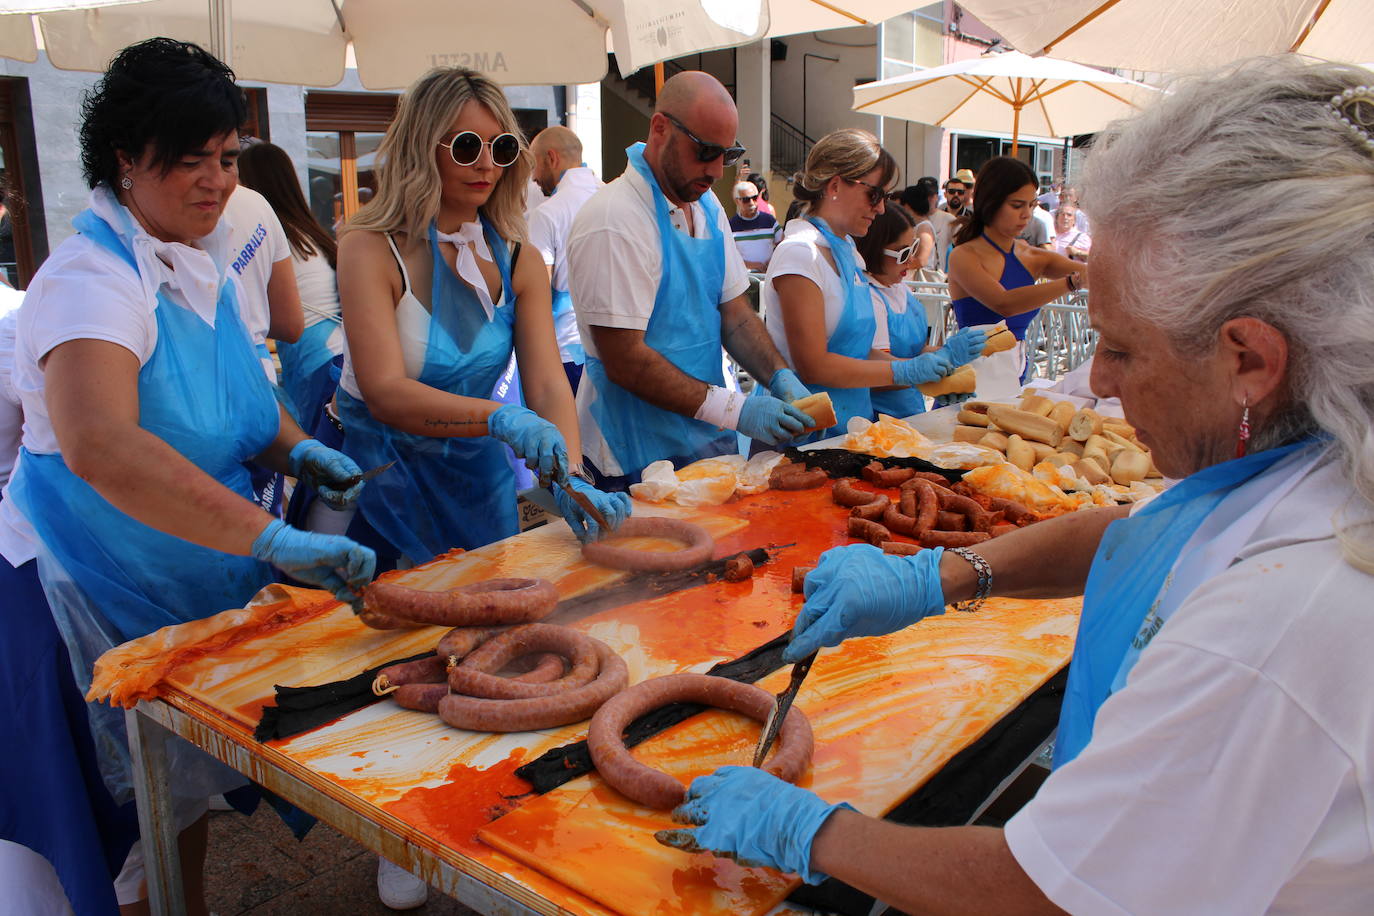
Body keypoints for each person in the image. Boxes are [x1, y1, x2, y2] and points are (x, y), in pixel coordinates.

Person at [654, 54, 1374, 914]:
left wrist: (809, 832)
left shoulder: (1284, 620)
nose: (1098, 382)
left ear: (1250, 360)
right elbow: (1145, 538)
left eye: (1123, 348)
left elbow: (1044, 890)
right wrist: (940, 576)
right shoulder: (1311, 458)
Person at [1, 38, 374, 916]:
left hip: (170, 582)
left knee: (175, 799)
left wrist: (296, 451)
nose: (216, 181)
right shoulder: (90, 282)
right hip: (77, 597)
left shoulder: (195, 261)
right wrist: (270, 536)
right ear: (127, 160)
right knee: (114, 836)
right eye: (189, 160)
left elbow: (231, 407)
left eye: (227, 157)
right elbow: (104, 446)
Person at [335, 67, 629, 571]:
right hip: (380, 482)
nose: (488, 165)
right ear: (423, 147)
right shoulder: (368, 248)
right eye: (469, 146)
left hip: (477, 481)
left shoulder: (519, 257)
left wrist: (573, 478)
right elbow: (384, 392)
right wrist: (498, 417)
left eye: (503, 148)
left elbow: (547, 384)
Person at [566, 71, 813, 487]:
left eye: (728, 155)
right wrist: (738, 411)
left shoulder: (707, 205)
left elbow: (734, 314)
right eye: (705, 151)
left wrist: (779, 377)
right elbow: (625, 359)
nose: (717, 170)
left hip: (703, 439)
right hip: (631, 454)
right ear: (660, 128)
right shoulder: (615, 219)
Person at [761, 128, 983, 441]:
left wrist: (931, 369)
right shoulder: (800, 254)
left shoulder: (849, 253)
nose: (880, 208)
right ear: (835, 185)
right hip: (802, 434)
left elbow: (858, 351)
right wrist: (906, 372)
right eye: (875, 194)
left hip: (848, 425)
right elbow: (814, 365)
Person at [946, 156, 1083, 399]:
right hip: (974, 373)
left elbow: (1089, 272)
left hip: (1014, 367)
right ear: (991, 202)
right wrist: (1069, 283)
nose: (1027, 215)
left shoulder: (1029, 254)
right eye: (1017, 205)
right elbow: (1004, 303)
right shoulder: (963, 255)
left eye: (1031, 205)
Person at [237, 141, 345, 431]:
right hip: (339, 356)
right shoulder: (308, 233)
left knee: (318, 459)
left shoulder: (268, 236)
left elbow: (278, 321)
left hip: (316, 364)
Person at [855, 205, 960, 419]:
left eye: (913, 249)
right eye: (903, 253)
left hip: (911, 411)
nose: (912, 260)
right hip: (881, 419)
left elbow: (915, 351)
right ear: (874, 248)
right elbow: (876, 374)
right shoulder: (869, 297)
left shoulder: (900, 288)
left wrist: (949, 355)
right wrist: (924, 376)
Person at [527, 125, 602, 392]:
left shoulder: (548, 213)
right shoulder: (611, 198)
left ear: (552, 158)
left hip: (565, 353)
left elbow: (537, 295)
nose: (534, 177)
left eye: (534, 165)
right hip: (613, 350)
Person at [728, 179, 776, 271]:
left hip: (768, 275)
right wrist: (751, 265)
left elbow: (781, 245)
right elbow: (728, 255)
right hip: (744, 277)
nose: (751, 203)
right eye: (746, 200)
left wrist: (773, 260)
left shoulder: (770, 221)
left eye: (754, 198)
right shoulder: (731, 226)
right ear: (737, 201)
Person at [888, 183, 936, 272]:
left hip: (920, 283)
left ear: (907, 205)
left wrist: (894, 267)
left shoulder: (924, 228)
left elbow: (921, 261)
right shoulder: (918, 225)